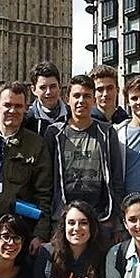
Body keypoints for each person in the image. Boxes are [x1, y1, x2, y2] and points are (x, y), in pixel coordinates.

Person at [44, 75, 124, 239]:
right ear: (67, 99)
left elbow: (117, 180)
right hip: (64, 220)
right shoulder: (54, 133)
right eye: (76, 96)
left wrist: (117, 223)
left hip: (101, 220)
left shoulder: (107, 133)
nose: (81, 101)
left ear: (94, 100)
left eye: (87, 96)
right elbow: (46, 184)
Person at [0, 81, 54, 249]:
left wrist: (40, 234)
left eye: (18, 106)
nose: (12, 111)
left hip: (21, 233)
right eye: (7, 105)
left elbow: (44, 193)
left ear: (25, 109)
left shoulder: (36, 144)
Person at [26, 60, 68, 133]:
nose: (48, 92)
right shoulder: (27, 121)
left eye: (53, 86)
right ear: (33, 90)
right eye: (43, 87)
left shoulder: (72, 116)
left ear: (60, 87)